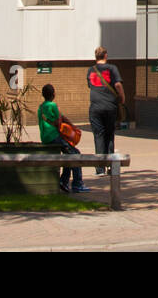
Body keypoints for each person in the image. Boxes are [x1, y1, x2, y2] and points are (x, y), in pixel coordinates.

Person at [37, 83, 88, 194]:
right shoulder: (53, 106)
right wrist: (73, 127)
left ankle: (63, 181)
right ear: (53, 94)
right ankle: (77, 184)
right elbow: (60, 120)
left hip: (45, 138)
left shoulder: (40, 107)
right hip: (54, 137)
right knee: (75, 154)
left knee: (68, 156)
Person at [87, 47, 125, 175]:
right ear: (106, 56)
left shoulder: (90, 70)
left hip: (95, 107)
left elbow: (91, 86)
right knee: (109, 135)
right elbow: (118, 85)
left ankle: (99, 168)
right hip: (110, 106)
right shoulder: (112, 68)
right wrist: (122, 98)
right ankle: (110, 165)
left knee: (98, 136)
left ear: (95, 56)